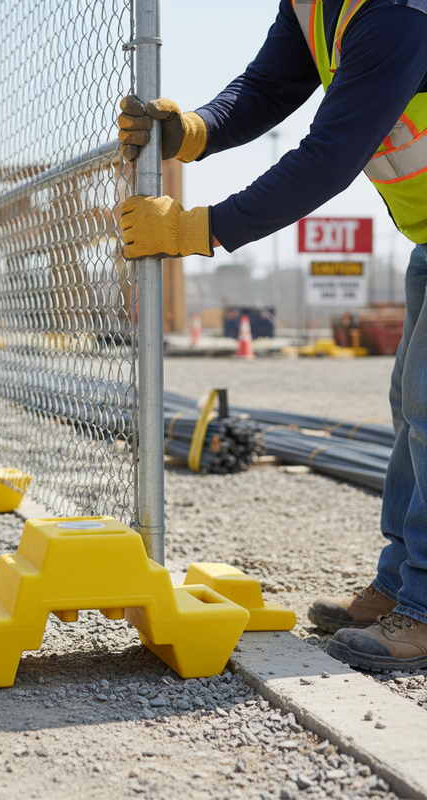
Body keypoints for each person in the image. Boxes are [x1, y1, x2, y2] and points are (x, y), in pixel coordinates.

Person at [118, 0, 427, 671]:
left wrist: (201, 228)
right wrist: (192, 131)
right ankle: (402, 586)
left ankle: (426, 610)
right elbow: (268, 88)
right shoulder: (317, 6)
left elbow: (327, 157)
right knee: (412, 408)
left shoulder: (398, 16)